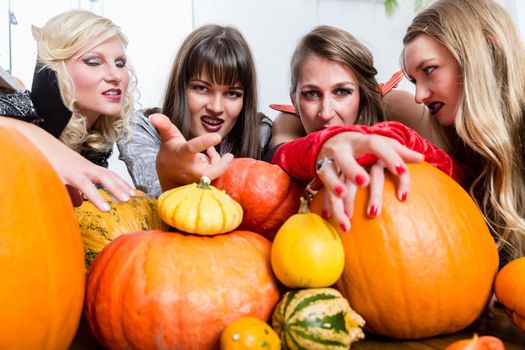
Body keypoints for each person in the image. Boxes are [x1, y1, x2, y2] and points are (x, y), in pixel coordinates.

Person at [267, 25, 462, 232]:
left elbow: (457, 179)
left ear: (362, 95)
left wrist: (386, 141)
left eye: (342, 91)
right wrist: (324, 146)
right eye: (311, 94)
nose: (326, 112)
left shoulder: (395, 106)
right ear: (294, 100)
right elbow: (277, 158)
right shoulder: (289, 121)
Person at [399, 0, 525, 263]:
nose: (419, 95)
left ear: (489, 54)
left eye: (429, 70)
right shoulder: (455, 143)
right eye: (414, 81)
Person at [0, 10, 136, 211]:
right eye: (93, 62)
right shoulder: (20, 109)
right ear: (55, 70)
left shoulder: (97, 139)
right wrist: (40, 141)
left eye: (120, 63)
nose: (115, 74)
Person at [118, 24, 272, 197]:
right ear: (181, 88)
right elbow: (164, 207)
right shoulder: (142, 128)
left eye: (232, 93)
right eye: (201, 88)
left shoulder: (260, 133)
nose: (216, 108)